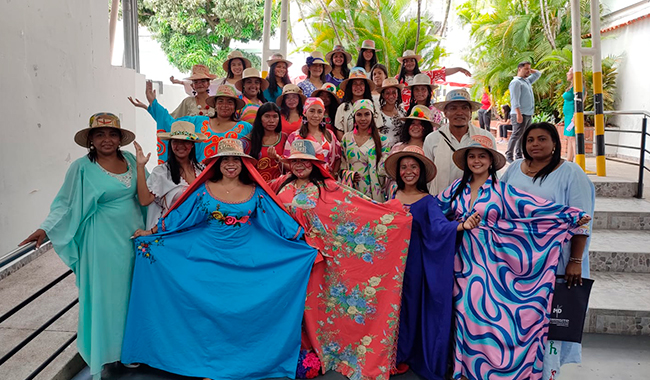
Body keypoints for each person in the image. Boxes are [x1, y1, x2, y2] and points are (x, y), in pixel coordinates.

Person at [121, 138, 318, 380]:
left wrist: (303, 241)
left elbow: (278, 220)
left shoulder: (256, 193)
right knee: (207, 311)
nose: (231, 164)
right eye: (225, 160)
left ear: (244, 164)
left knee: (237, 312)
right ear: (217, 164)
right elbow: (181, 216)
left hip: (245, 260)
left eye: (236, 159)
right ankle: (204, 362)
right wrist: (150, 234)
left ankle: (237, 361)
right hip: (206, 255)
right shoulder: (204, 190)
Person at [436, 135, 590, 380]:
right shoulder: (454, 190)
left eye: (482, 156)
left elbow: (535, 210)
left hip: (495, 264)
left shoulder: (503, 191)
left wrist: (570, 216)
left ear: (491, 161)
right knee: (464, 313)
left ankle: (496, 370)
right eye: (472, 156)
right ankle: (464, 370)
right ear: (466, 162)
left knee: (490, 318)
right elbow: (434, 214)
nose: (476, 161)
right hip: (462, 263)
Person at [271, 139, 412, 380]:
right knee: (292, 307)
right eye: (295, 161)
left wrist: (390, 214)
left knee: (317, 307)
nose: (300, 165)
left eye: (305, 161)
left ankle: (324, 354)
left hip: (317, 260)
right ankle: (296, 354)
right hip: (288, 261)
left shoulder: (328, 187)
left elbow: (357, 205)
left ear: (314, 164)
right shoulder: (281, 184)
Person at [20, 113, 144, 377]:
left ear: (120, 138)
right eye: (100, 134)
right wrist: (45, 228)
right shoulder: (81, 167)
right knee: (105, 296)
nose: (106, 139)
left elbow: (145, 194)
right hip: (101, 241)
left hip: (132, 238)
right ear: (91, 140)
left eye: (112, 134)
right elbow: (64, 202)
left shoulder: (132, 161)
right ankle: (106, 352)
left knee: (131, 293)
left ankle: (129, 349)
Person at [500, 122, 595, 380]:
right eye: (530, 139)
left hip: (555, 261)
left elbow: (582, 219)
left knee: (549, 321)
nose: (535, 144)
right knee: (519, 320)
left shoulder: (570, 173)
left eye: (542, 139)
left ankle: (546, 373)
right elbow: (499, 206)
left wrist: (575, 260)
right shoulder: (513, 172)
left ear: (555, 143)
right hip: (516, 263)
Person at [383, 146, 480, 380]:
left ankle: (404, 353)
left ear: (421, 172)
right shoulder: (391, 195)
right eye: (404, 166)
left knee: (409, 307)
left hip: (413, 264)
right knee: (390, 308)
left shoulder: (427, 201)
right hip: (389, 264)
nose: (408, 171)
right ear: (398, 171)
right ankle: (388, 353)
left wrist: (461, 226)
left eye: (414, 167)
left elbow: (439, 226)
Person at [129, 82, 252, 163]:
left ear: (235, 106)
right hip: (199, 180)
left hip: (231, 180)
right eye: (220, 101)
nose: (225, 105)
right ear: (215, 104)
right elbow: (172, 125)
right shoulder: (198, 122)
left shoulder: (245, 128)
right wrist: (153, 104)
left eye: (229, 102)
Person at [134, 121, 206, 229]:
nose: (180, 145)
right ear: (171, 144)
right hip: (170, 230)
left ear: (192, 145)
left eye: (185, 141)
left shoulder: (202, 170)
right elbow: (144, 201)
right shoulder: (161, 172)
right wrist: (140, 166)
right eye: (176, 141)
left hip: (197, 228)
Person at [423, 89, 495, 195]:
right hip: (441, 202)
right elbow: (427, 175)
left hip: (476, 204)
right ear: (445, 113)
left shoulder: (485, 138)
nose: (459, 112)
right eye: (453, 108)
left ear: (470, 113)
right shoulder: (433, 139)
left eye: (464, 108)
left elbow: (493, 172)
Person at [340, 99, 390, 201]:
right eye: (359, 115)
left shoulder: (382, 140)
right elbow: (342, 165)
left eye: (367, 114)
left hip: (374, 193)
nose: (363, 119)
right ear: (354, 116)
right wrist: (348, 175)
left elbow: (385, 169)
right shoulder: (347, 138)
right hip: (352, 190)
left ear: (372, 116)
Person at [281, 97, 341, 176]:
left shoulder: (330, 135)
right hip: (303, 182)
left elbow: (338, 157)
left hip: (326, 180)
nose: (316, 115)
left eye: (319, 112)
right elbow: (287, 161)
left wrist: (334, 173)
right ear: (305, 112)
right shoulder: (294, 137)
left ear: (323, 114)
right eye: (312, 111)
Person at [384, 106, 434, 198]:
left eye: (421, 124)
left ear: (426, 128)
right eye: (412, 123)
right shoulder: (397, 147)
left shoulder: (430, 149)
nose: (416, 127)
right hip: (397, 195)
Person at [395, 49, 471, 107]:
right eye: (406, 61)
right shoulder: (397, 79)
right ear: (403, 64)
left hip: (425, 110)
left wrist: (459, 69)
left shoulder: (426, 75)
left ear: (416, 62)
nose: (409, 63)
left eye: (412, 60)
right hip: (403, 113)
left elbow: (443, 72)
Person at [507, 61, 542, 163]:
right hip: (520, 113)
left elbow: (538, 74)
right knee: (516, 134)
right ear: (519, 69)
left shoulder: (527, 81)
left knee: (524, 135)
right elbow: (515, 100)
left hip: (528, 113)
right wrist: (518, 113)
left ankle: (519, 155)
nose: (528, 71)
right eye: (526, 69)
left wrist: (531, 70)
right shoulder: (516, 82)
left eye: (529, 69)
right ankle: (509, 155)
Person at [334, 67, 384, 140]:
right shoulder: (342, 107)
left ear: (365, 87)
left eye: (361, 83)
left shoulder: (374, 106)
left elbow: (378, 129)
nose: (358, 86)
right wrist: (349, 145)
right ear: (350, 87)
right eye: (354, 84)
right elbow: (339, 131)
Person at [245, 102, 288, 182]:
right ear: (260, 119)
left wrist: (277, 158)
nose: (271, 121)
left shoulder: (285, 138)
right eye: (267, 116)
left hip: (279, 185)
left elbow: (291, 167)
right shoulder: (247, 141)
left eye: (275, 116)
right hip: (254, 186)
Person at [377, 77, 405, 147]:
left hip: (400, 151)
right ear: (383, 95)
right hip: (384, 151)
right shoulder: (378, 114)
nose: (391, 96)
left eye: (394, 92)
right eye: (387, 93)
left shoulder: (402, 112)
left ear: (398, 94)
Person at [561, 68, 576, 162]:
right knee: (569, 136)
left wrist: (575, 116)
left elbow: (580, 102)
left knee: (572, 136)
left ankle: (578, 159)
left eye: (569, 71)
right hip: (568, 116)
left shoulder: (578, 87)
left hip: (572, 115)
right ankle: (569, 159)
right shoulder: (572, 86)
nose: (567, 73)